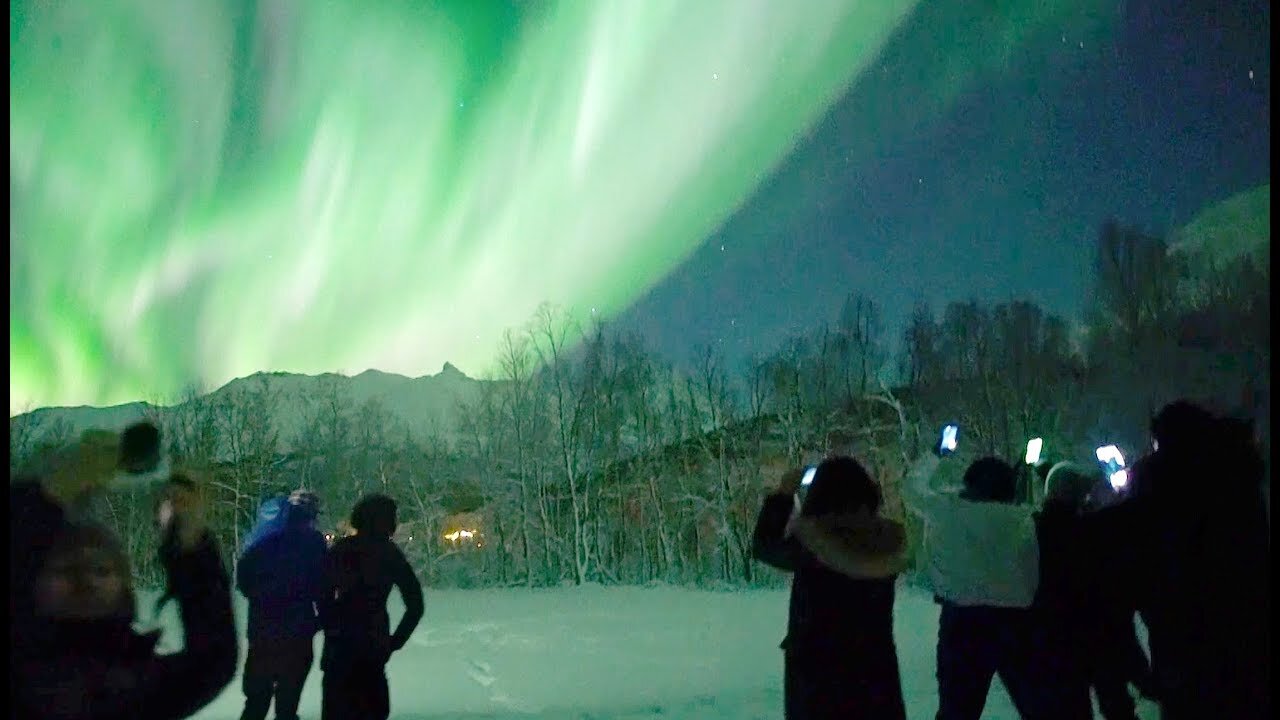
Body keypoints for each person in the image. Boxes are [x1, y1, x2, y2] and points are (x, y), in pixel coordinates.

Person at [9, 425, 238, 720]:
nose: (86, 580)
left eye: (102, 570)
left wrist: (190, 543)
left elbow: (213, 660)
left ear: (125, 587)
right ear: (32, 582)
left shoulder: (139, 682)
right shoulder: (20, 673)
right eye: (65, 570)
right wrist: (46, 493)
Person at [1101, 402, 1271, 720]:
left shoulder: (1154, 477)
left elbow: (1135, 554)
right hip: (1248, 626)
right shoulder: (1239, 472)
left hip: (1179, 631)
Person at [752, 456, 910, 720]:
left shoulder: (813, 541)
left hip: (818, 672)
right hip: (875, 669)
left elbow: (765, 546)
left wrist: (783, 494)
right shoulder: (888, 538)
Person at [902, 444, 1045, 720]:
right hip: (1017, 625)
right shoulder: (1025, 519)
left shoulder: (947, 510)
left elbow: (911, 488)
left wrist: (937, 453)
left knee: (957, 710)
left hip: (963, 624)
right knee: (1037, 706)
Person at [1033, 462, 1153, 720]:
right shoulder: (1097, 530)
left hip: (1058, 641)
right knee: (1117, 705)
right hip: (1102, 636)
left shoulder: (1035, 532)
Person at [319, 494, 424, 720]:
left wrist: (330, 623)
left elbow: (320, 592)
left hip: (339, 648)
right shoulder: (390, 554)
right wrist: (394, 642)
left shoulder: (342, 549)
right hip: (373, 645)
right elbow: (416, 605)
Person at [237, 491, 328, 720]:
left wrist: (262, 602)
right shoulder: (314, 542)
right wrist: (318, 621)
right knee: (287, 706)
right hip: (297, 636)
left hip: (261, 634)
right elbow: (322, 587)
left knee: (255, 703)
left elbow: (243, 579)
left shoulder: (263, 539)